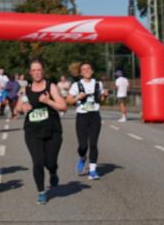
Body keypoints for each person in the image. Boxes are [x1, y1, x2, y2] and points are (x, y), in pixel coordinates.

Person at [19, 59, 66, 204]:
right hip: (33, 131)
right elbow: (17, 107)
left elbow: (63, 106)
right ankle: (41, 191)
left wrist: (48, 101)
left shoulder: (51, 87)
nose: (37, 73)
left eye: (39, 70)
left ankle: (53, 172)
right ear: (30, 73)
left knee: (50, 162)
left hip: (52, 130)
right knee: (38, 162)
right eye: (34, 70)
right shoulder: (25, 90)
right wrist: (22, 108)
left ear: (43, 71)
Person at [71, 62, 106, 180]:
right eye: (83, 69)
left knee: (93, 144)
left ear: (92, 71)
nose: (86, 71)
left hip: (95, 116)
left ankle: (92, 171)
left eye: (88, 69)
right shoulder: (76, 85)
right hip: (82, 116)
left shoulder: (98, 84)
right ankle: (82, 157)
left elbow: (101, 100)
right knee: (82, 146)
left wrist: (105, 96)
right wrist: (77, 97)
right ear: (81, 72)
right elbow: (68, 100)